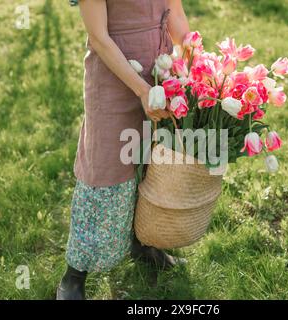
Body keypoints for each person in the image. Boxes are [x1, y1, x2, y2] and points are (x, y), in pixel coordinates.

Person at [57, 0, 190, 300]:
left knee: (151, 164)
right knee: (104, 168)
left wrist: (196, 66)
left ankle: (144, 243)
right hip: (113, 76)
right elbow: (99, 38)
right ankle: (75, 274)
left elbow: (176, 14)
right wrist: (142, 91)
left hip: (160, 71)